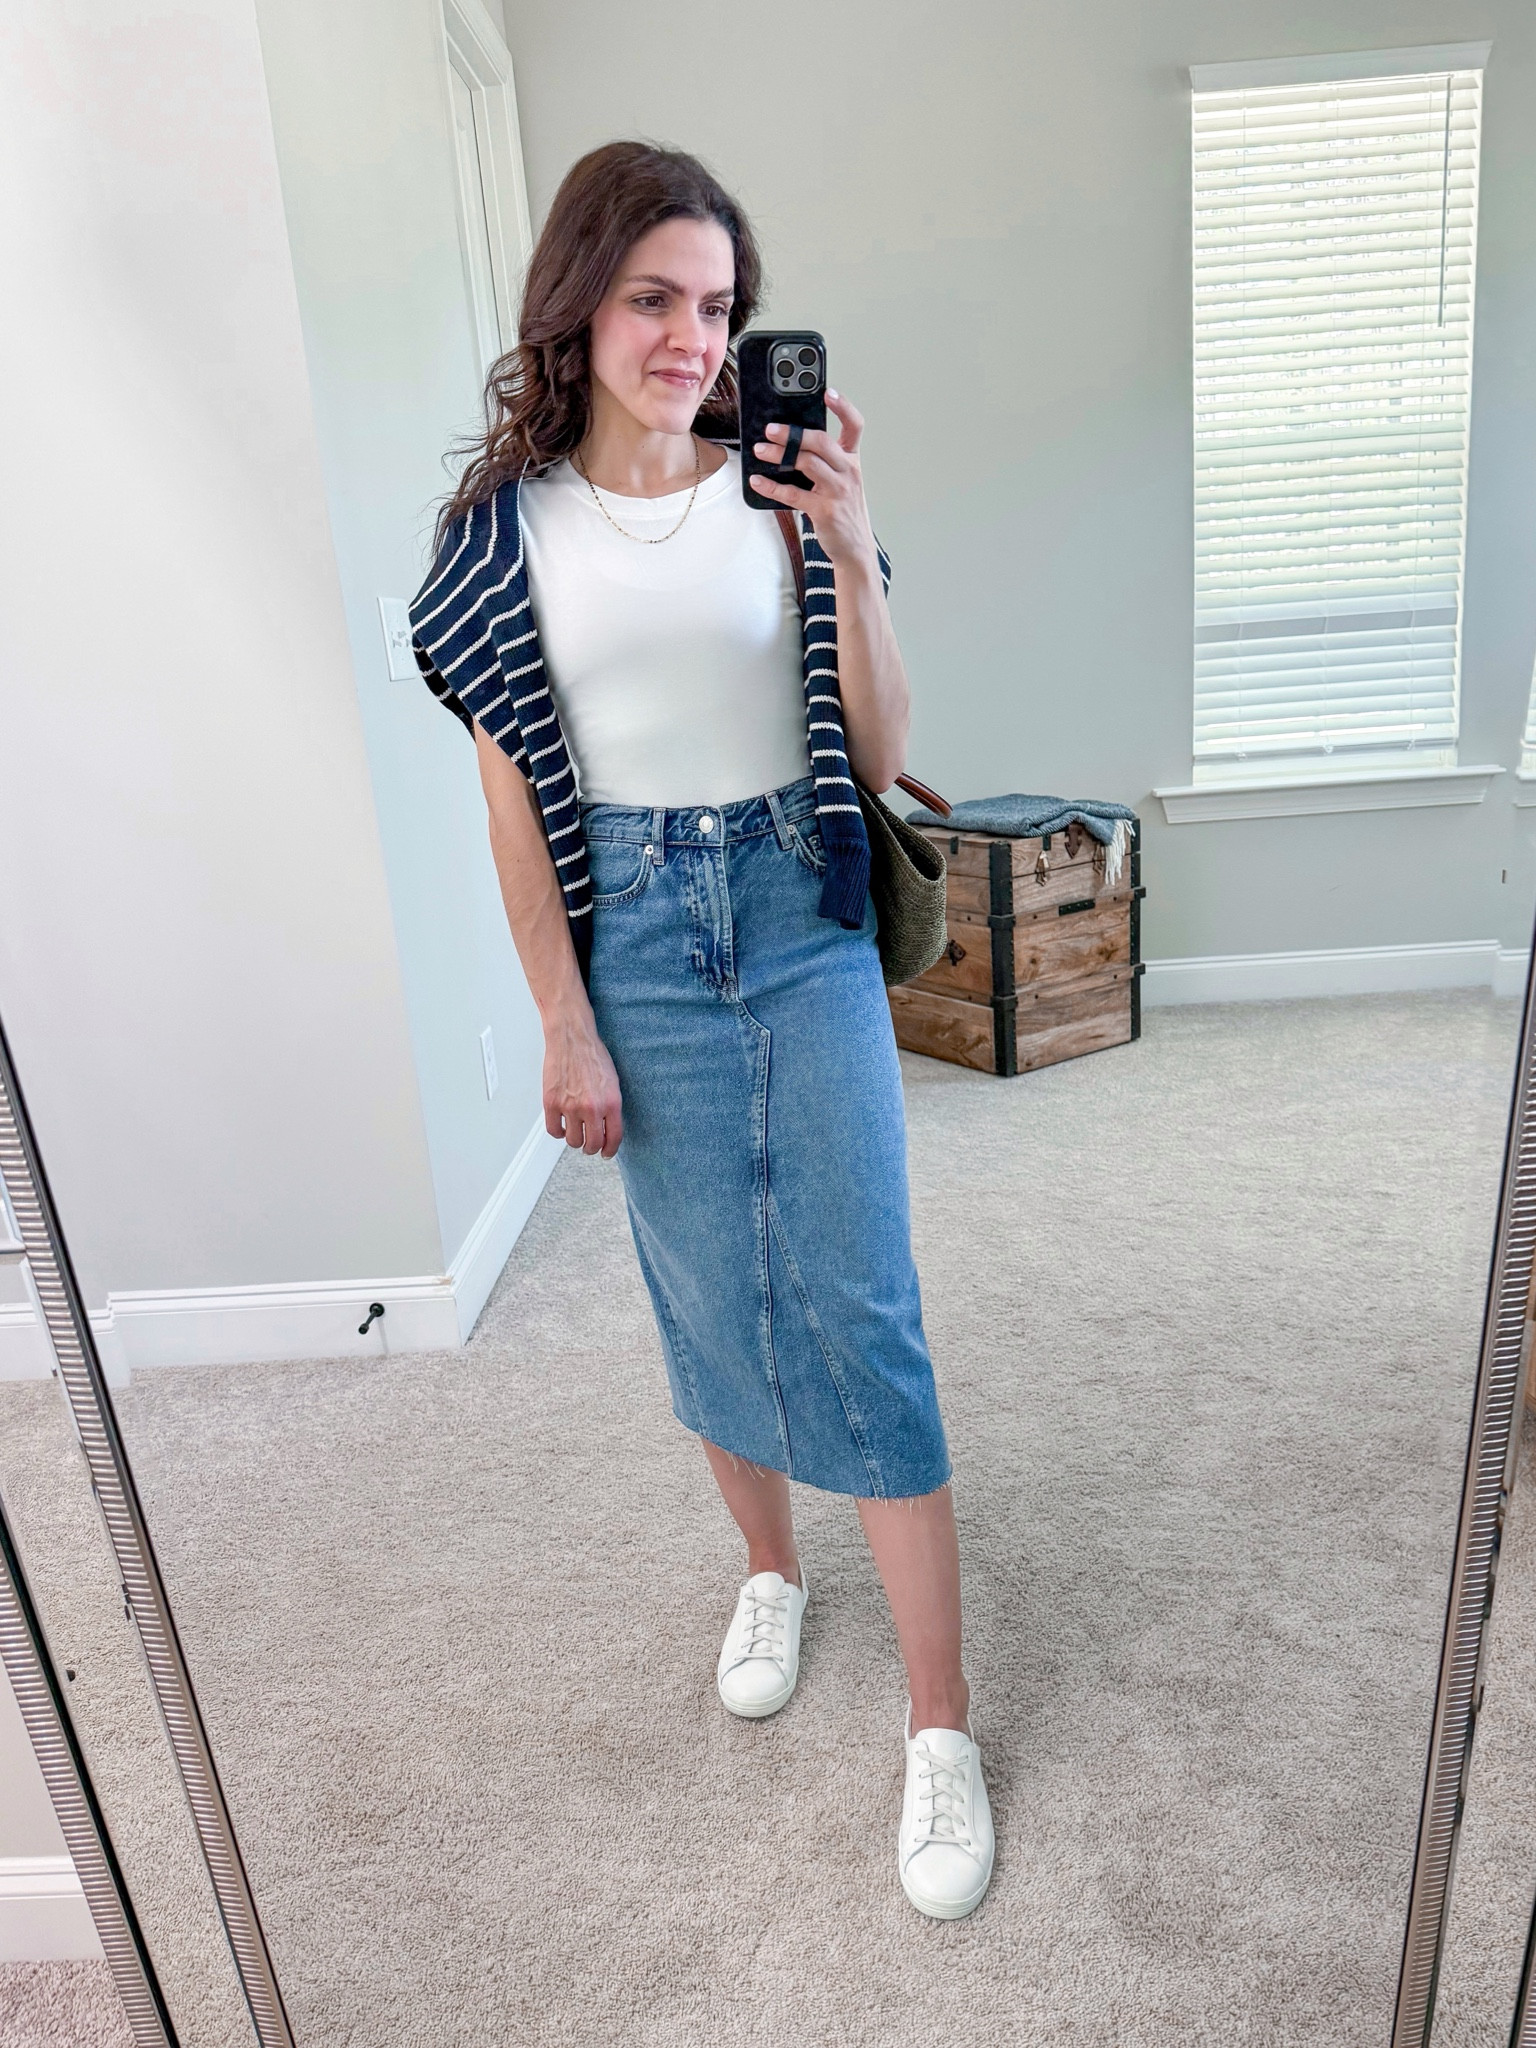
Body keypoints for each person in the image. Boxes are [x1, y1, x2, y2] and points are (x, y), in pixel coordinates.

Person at [409, 140, 993, 1920]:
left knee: (864, 1302)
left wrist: (850, 549)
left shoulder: (780, 485)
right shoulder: (498, 542)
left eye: (718, 305)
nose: (689, 336)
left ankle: (941, 1735)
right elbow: (519, 811)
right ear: (579, 303)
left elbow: (881, 758)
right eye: (656, 297)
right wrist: (562, 1029)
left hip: (802, 916)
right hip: (640, 939)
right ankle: (770, 1572)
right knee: (704, 1290)